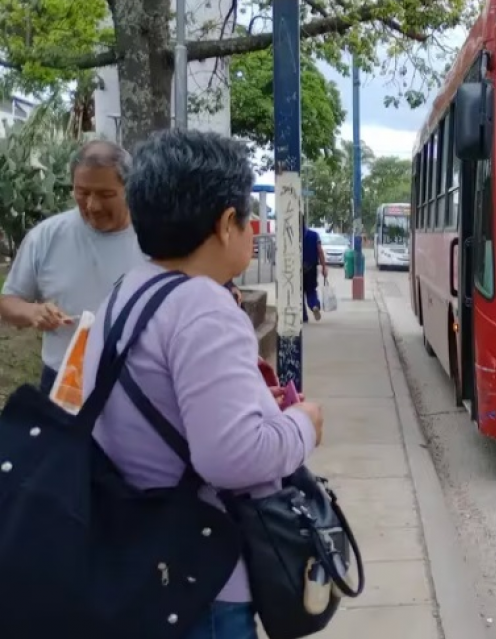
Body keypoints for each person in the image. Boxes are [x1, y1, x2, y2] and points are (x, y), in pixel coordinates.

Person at [81, 129, 324, 639]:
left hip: (138, 559)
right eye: (246, 218)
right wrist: (303, 424)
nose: (253, 229)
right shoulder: (203, 307)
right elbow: (231, 459)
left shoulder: (128, 291)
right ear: (225, 223)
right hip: (202, 583)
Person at [0, 140, 147, 392]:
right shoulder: (47, 236)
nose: (92, 205)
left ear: (130, 189)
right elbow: (9, 302)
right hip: (63, 380)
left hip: (133, 384)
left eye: (105, 194)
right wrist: (34, 313)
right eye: (82, 192)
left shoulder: (154, 238)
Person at [302, 222, 328, 322]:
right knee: (311, 291)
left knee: (299, 294)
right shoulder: (314, 235)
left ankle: (303, 317)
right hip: (311, 268)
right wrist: (324, 266)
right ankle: (314, 305)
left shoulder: (293, 235)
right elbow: (320, 251)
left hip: (297, 268)